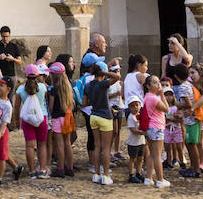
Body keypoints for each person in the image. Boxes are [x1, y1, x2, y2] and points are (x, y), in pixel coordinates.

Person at [81, 54, 120, 185]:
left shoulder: (88, 85)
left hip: (93, 116)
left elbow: (84, 102)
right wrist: (105, 71)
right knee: (106, 148)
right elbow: (117, 77)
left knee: (97, 146)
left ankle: (97, 174)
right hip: (105, 116)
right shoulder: (103, 84)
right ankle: (106, 175)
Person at [18, 65, 50, 178]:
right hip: (42, 117)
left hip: (27, 119)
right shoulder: (42, 87)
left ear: (26, 75)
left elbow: (17, 106)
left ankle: (31, 171)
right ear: (37, 75)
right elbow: (45, 101)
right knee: (42, 145)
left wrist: (16, 121)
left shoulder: (20, 89)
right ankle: (42, 169)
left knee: (29, 146)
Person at [141, 74, 171, 188]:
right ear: (148, 85)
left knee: (152, 155)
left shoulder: (147, 96)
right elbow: (167, 109)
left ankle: (148, 178)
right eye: (155, 82)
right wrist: (162, 94)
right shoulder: (154, 98)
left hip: (150, 127)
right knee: (157, 155)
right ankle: (160, 179)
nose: (158, 84)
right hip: (156, 127)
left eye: (158, 82)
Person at [172, 63, 202, 177]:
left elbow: (188, 104)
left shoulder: (182, 87)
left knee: (191, 145)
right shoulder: (188, 84)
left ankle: (196, 169)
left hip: (191, 120)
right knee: (191, 144)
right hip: (192, 119)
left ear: (176, 76)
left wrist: (177, 105)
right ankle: (193, 167)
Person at [46, 61, 75, 178]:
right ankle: (70, 168)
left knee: (59, 145)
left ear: (54, 75)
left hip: (57, 118)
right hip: (67, 117)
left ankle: (60, 168)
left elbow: (51, 107)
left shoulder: (53, 89)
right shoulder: (68, 87)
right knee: (67, 143)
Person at [162, 79, 184, 170]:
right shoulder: (163, 108)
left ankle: (181, 161)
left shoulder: (176, 107)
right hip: (167, 129)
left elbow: (180, 119)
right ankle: (169, 162)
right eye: (166, 95)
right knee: (167, 147)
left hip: (176, 129)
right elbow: (163, 118)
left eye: (170, 95)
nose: (168, 98)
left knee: (179, 146)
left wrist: (171, 118)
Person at [125, 98, 146, 183]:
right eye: (132, 106)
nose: (135, 107)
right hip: (133, 142)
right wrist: (142, 132)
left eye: (137, 105)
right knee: (133, 159)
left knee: (140, 158)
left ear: (140, 105)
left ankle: (138, 173)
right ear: (129, 107)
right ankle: (131, 175)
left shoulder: (141, 116)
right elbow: (132, 129)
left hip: (141, 141)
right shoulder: (131, 117)